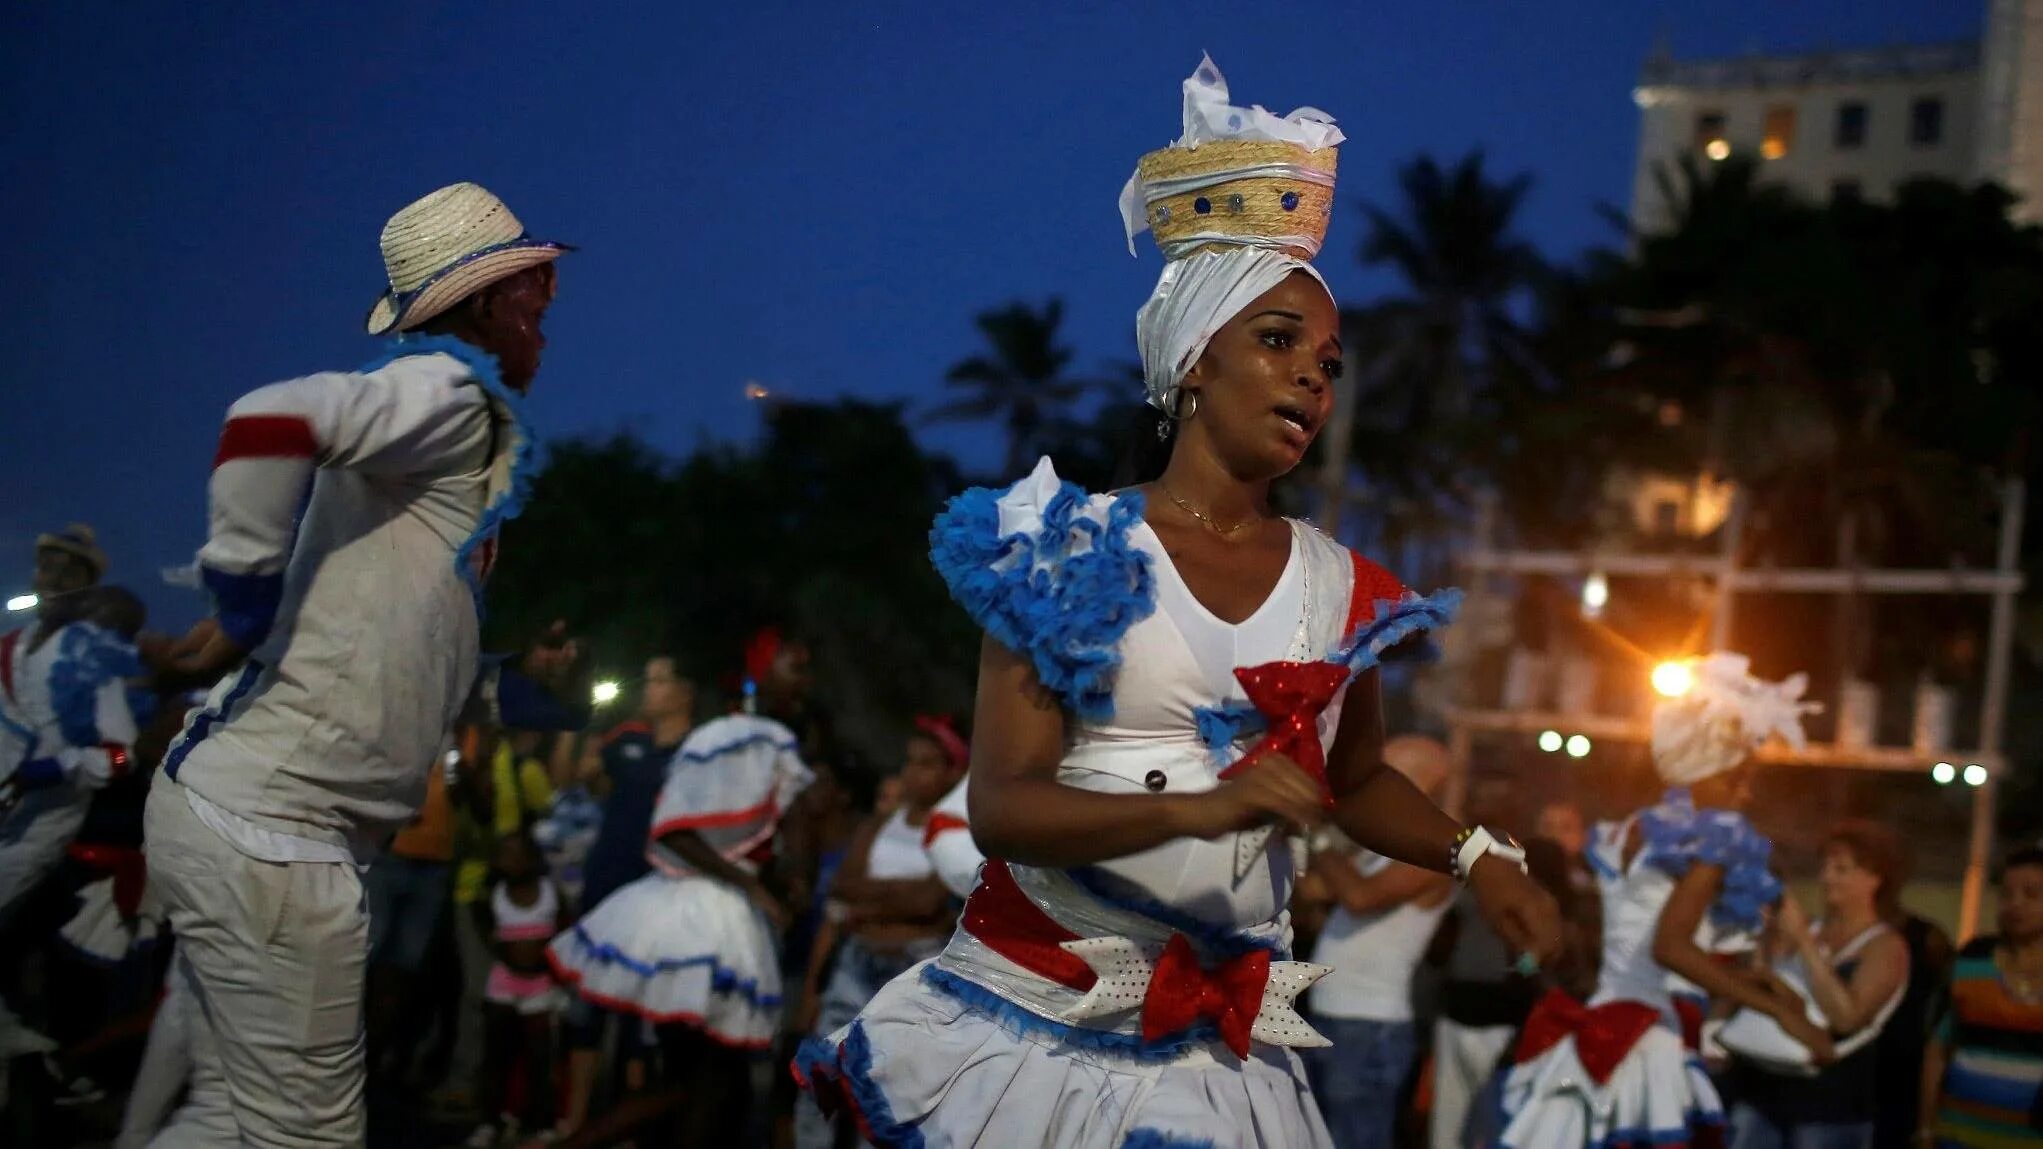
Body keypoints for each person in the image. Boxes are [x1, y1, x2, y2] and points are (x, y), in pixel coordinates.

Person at [794, 56, 1560, 1148]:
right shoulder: (1068, 547)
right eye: (1280, 343)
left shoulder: (1339, 582)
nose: (1312, 380)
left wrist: (1482, 858)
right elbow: (1002, 804)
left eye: (1331, 364)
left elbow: (1359, 780)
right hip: (1029, 1023)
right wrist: (1202, 807)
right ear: (1194, 361)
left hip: (1218, 1055)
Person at [141, 181, 572, 1148]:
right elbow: (267, 420)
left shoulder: (431, 425)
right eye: (535, 297)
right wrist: (241, 587)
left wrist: (510, 679)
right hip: (273, 833)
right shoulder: (454, 388)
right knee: (307, 1137)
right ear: (490, 303)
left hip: (246, 815)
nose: (548, 314)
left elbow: (388, 630)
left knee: (231, 1118)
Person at [1497, 652, 1825, 1148]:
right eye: (1744, 771)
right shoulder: (1713, 837)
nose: (1747, 791)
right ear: (1721, 766)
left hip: (1597, 1023)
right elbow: (1669, 948)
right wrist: (1778, 1011)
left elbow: (1643, 940)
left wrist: (1751, 979)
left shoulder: (1626, 831)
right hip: (1648, 1040)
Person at [547, 636, 814, 1145]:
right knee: (698, 1080)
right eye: (795, 666)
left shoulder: (755, 736)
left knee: (710, 1084)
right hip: (704, 918)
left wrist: (784, 880)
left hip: (708, 911)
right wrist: (753, 888)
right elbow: (676, 829)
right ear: (759, 672)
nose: (805, 679)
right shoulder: (740, 736)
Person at [794, 716, 969, 1149]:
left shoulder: (961, 835)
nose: (913, 772)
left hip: (914, 968)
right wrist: (903, 896)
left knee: (890, 1098)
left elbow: (930, 902)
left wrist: (870, 900)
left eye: (927, 763)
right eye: (909, 761)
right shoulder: (880, 824)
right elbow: (841, 884)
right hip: (857, 962)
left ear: (953, 772)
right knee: (820, 1085)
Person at [556, 655, 694, 1134]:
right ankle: (573, 1125)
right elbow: (575, 777)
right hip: (605, 888)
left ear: (685, 691)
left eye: (659, 679)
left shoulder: (697, 753)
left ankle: (627, 1133)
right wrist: (581, 722)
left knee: (642, 1017)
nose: (648, 688)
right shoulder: (626, 738)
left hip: (659, 895)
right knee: (587, 1006)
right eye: (648, 677)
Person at [1302, 735, 1456, 1149]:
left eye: (1387, 773)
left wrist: (1314, 834)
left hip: (1369, 1026)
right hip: (1337, 1017)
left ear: (1421, 785)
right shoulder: (1381, 847)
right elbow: (1315, 891)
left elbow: (1359, 897)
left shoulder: (1436, 852)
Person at [1720, 819, 1911, 1149]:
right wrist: (1763, 935)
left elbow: (1847, 1017)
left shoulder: (1885, 947)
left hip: (1829, 1110)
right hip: (1762, 1095)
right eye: (1825, 867)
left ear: (1875, 879)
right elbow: (1761, 984)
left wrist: (1806, 944)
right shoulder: (1810, 928)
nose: (1826, 878)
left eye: (1842, 869)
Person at [1919, 845, 2043, 1147]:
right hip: (1959, 1134)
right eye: (2006, 894)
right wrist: (1925, 1128)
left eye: (2031, 894)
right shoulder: (1972, 961)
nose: (2015, 905)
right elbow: (1939, 1049)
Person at [464, 830, 570, 1148]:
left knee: (540, 1057)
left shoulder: (552, 893)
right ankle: (490, 1121)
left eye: (514, 853)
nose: (506, 860)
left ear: (532, 858)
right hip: (505, 983)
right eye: (501, 854)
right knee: (497, 1055)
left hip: (541, 985)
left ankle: (541, 1121)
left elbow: (566, 930)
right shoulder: (494, 894)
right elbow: (485, 930)